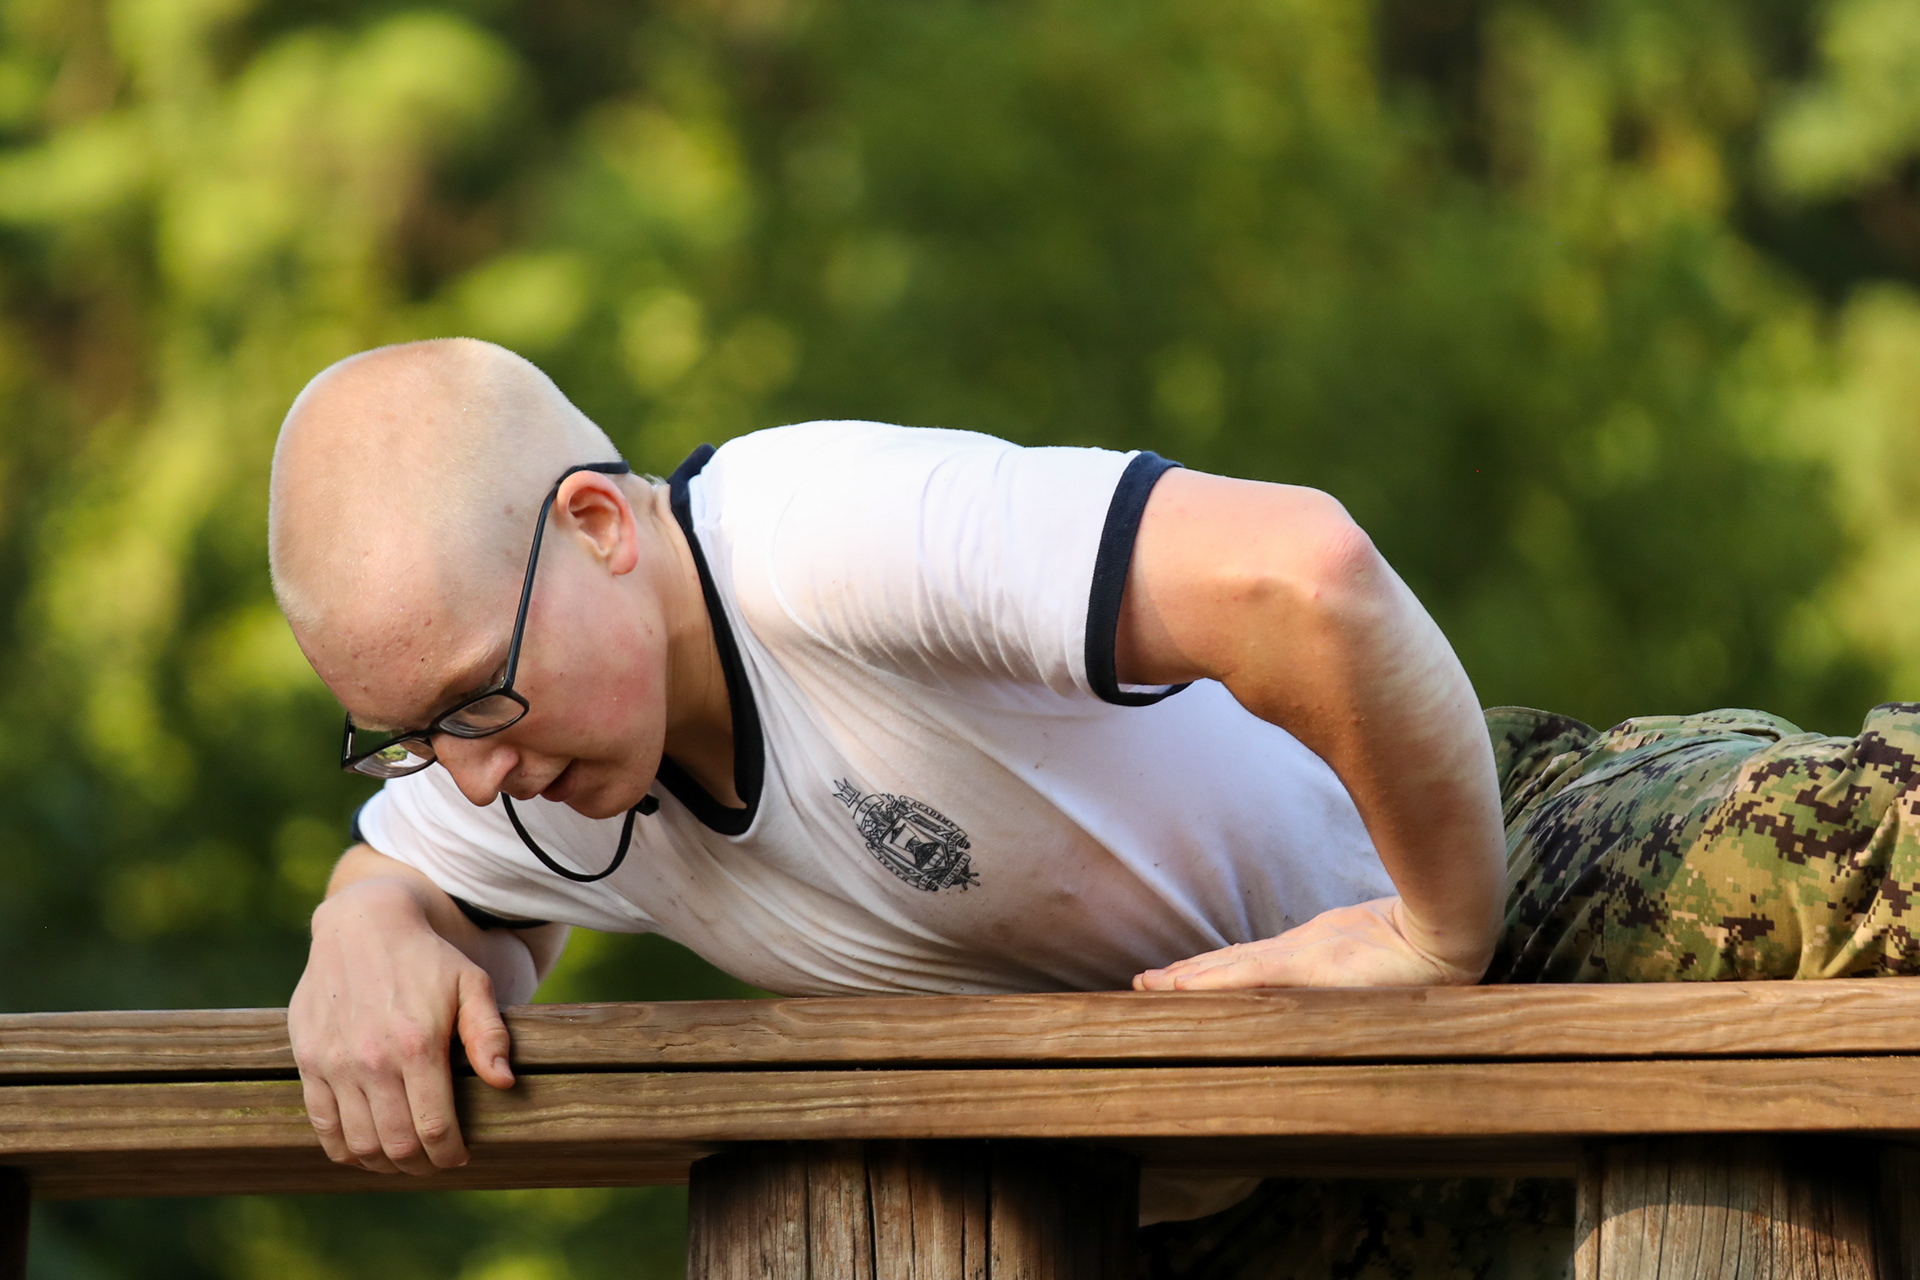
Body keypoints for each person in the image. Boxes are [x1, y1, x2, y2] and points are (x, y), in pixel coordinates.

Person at [269, 338, 1920, 1246]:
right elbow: (417, 880)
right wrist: (367, 926)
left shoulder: (819, 537)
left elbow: (1307, 573)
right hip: (1258, 1186)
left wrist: (1436, 937)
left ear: (599, 527)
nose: (472, 770)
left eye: (480, 697)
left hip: (1489, 876)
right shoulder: (527, 770)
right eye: (409, 735)